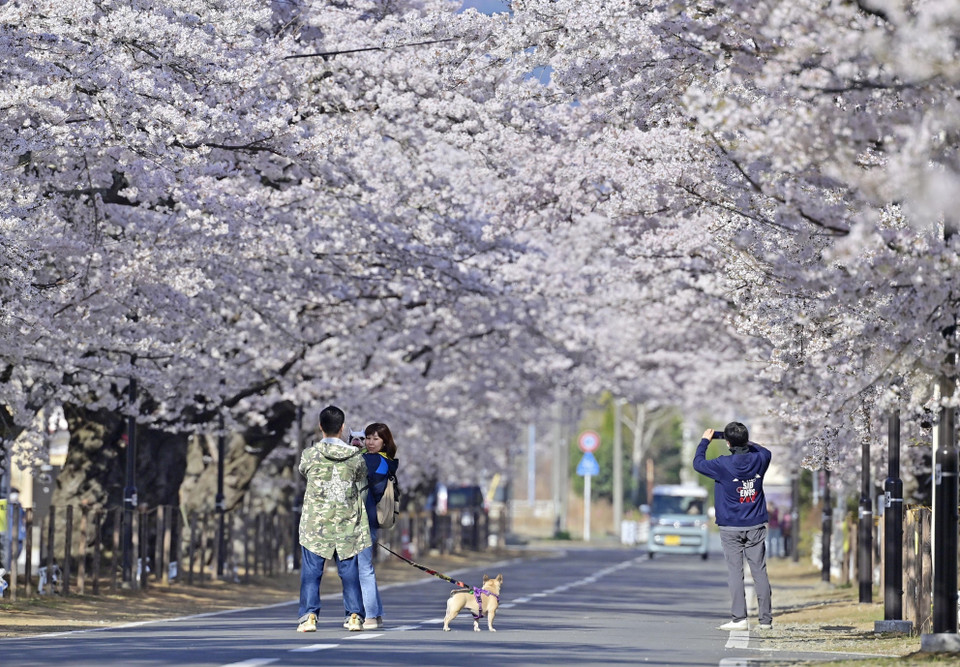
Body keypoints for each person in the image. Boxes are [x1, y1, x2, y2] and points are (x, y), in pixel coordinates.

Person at [296, 405, 371, 633]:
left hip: (315, 524)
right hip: (346, 522)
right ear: (342, 428)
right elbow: (361, 477)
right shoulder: (355, 457)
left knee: (311, 572)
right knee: (348, 571)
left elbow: (303, 471)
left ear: (320, 427)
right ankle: (355, 615)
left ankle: (309, 616)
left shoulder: (310, 454)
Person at [693, 422, 773, 631]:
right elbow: (764, 450)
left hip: (730, 526)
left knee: (735, 572)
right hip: (755, 523)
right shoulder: (761, 459)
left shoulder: (722, 464)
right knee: (760, 571)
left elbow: (698, 463)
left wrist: (704, 441)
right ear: (746, 440)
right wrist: (746, 442)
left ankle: (739, 619)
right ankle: (765, 621)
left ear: (727, 443)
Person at [348, 422, 399, 630]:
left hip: (362, 520)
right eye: (367, 437)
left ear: (385, 442)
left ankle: (369, 615)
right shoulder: (386, 462)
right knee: (366, 566)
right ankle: (375, 614)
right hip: (370, 520)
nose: (369, 442)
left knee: (364, 569)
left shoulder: (372, 460)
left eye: (375, 439)